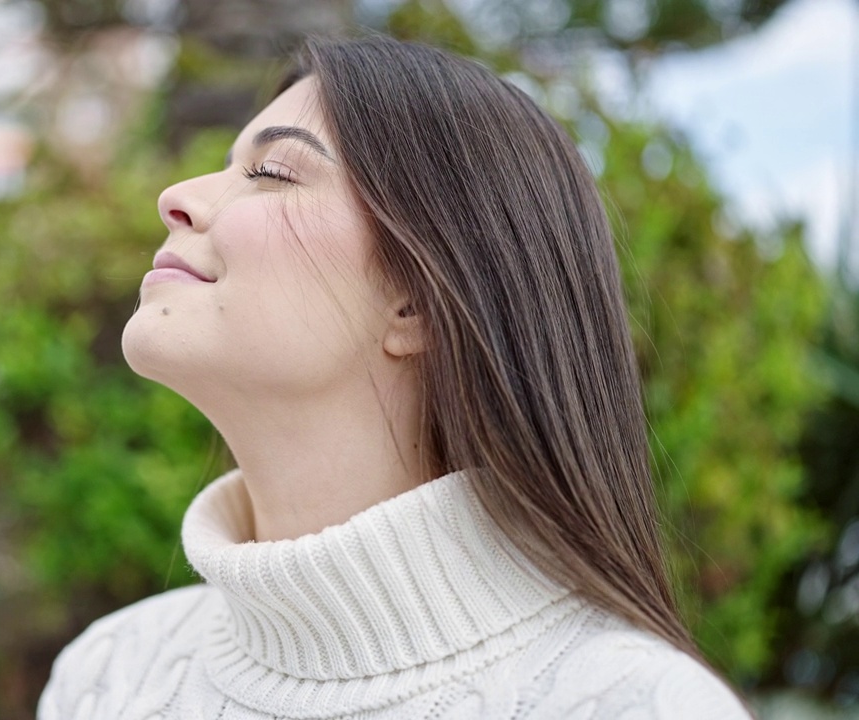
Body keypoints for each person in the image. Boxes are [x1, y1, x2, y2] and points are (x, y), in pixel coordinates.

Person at [38, 35, 751, 719]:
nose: (176, 195)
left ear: (415, 303)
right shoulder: (107, 675)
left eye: (271, 173)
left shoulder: (630, 705)